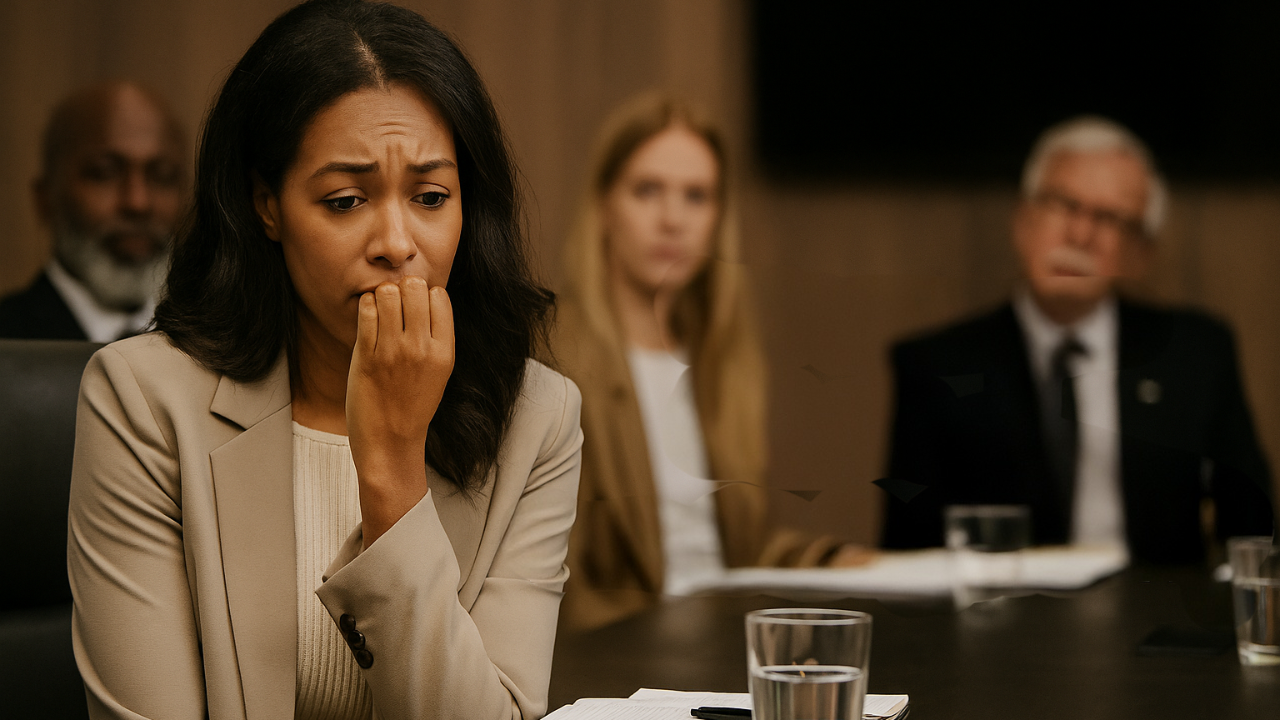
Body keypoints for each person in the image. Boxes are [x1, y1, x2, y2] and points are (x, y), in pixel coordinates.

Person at [67, 2, 581, 718]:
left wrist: (394, 467)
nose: (398, 243)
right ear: (266, 205)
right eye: (345, 200)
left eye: (431, 197)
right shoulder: (143, 400)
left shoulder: (538, 418)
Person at [880, 116, 1275, 564]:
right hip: (996, 622)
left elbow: (1253, 531)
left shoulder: (1195, 353)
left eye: (1109, 218)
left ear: (1140, 253)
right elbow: (907, 557)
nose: (1080, 235)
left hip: (1157, 622)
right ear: (1023, 219)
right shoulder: (936, 365)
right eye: (1063, 204)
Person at [552, 93, 867, 632]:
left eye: (696, 196)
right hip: (622, 662)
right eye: (648, 190)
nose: (673, 219)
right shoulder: (553, 353)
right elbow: (558, 580)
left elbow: (736, 552)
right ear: (605, 205)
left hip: (723, 645)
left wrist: (837, 562)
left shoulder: (721, 359)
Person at [0, 81, 185, 341]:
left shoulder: (218, 344)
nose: (138, 202)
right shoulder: (8, 341)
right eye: (104, 173)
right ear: (45, 199)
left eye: (162, 176)